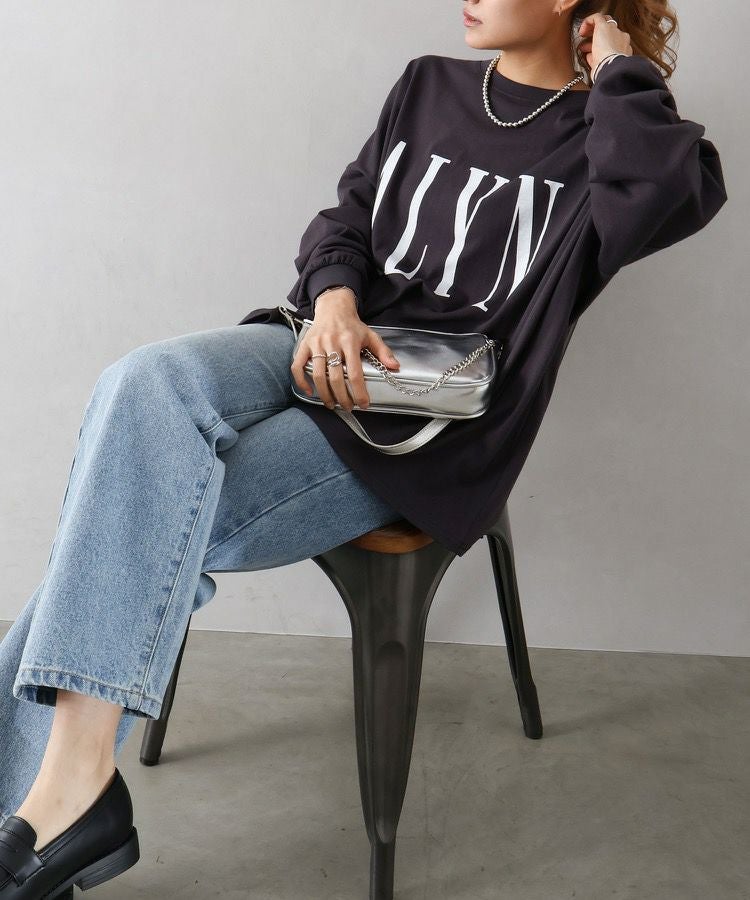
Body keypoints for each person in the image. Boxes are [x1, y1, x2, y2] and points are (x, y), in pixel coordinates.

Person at [0, 1, 727, 896]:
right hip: (321, 340)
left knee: (143, 505)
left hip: (422, 433)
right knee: (141, 387)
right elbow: (345, 217)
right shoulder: (427, 85)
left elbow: (667, 192)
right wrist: (336, 301)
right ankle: (72, 791)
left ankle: (37, 814)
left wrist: (616, 66)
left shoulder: (610, 138)